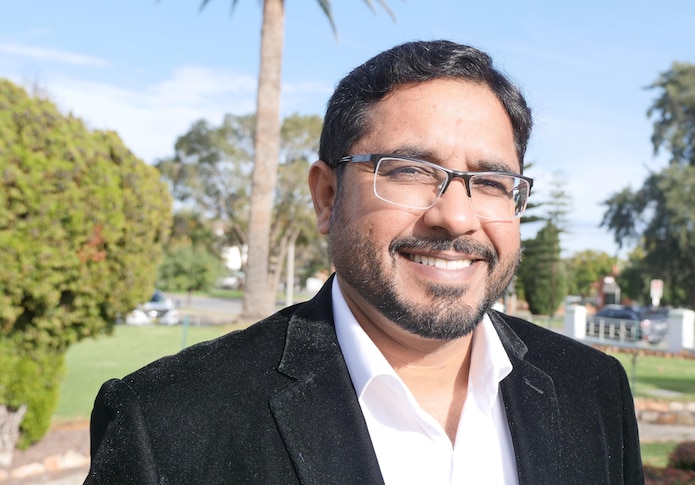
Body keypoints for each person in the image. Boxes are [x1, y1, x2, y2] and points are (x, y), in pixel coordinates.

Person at [85, 40, 644, 484]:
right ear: (327, 197)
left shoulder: (592, 391)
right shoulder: (167, 421)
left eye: (491, 182)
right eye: (408, 170)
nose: (455, 217)